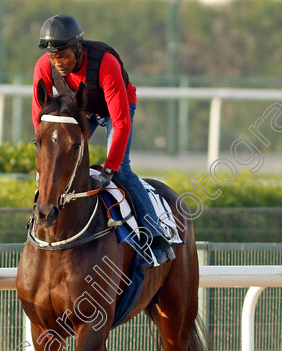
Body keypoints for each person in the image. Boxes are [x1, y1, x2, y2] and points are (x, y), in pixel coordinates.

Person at [31, 14, 174, 265]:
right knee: (56, 167)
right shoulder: (44, 66)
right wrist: (47, 151)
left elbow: (120, 122)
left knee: (122, 172)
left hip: (116, 109)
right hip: (81, 110)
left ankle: (155, 236)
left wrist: (110, 166)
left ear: (78, 47)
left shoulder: (105, 63)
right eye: (54, 57)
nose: (58, 63)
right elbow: (40, 118)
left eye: (63, 55)